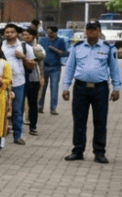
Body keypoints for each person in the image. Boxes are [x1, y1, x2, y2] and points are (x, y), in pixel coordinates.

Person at [62, 21, 122, 164]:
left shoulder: (108, 48)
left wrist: (116, 88)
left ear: (99, 31)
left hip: (100, 89)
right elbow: (70, 67)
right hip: (80, 88)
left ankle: (99, 152)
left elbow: (114, 69)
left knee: (100, 121)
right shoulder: (77, 47)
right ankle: (77, 151)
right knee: (79, 121)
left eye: (94, 30)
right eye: (88, 30)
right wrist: (65, 87)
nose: (91, 33)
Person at [0, 24, 35, 145]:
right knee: (1, 110)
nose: (9, 34)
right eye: (7, 32)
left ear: (17, 33)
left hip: (19, 82)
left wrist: (23, 57)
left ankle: (18, 135)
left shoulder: (24, 47)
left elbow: (32, 65)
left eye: (12, 32)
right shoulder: (0, 46)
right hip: (2, 82)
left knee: (17, 110)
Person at [21, 27, 45, 136]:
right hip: (20, 78)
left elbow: (42, 56)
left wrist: (32, 51)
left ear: (33, 36)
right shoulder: (18, 46)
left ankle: (33, 126)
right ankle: (17, 125)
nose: (26, 37)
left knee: (33, 103)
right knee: (18, 103)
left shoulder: (37, 47)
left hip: (33, 77)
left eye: (28, 35)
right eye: (24, 35)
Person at [39, 25, 68, 115]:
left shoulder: (60, 41)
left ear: (55, 33)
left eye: (51, 32)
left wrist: (56, 50)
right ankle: (40, 106)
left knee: (54, 88)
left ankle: (53, 108)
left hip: (55, 67)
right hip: (44, 67)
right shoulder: (42, 40)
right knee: (42, 87)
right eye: (48, 32)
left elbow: (65, 53)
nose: (49, 34)